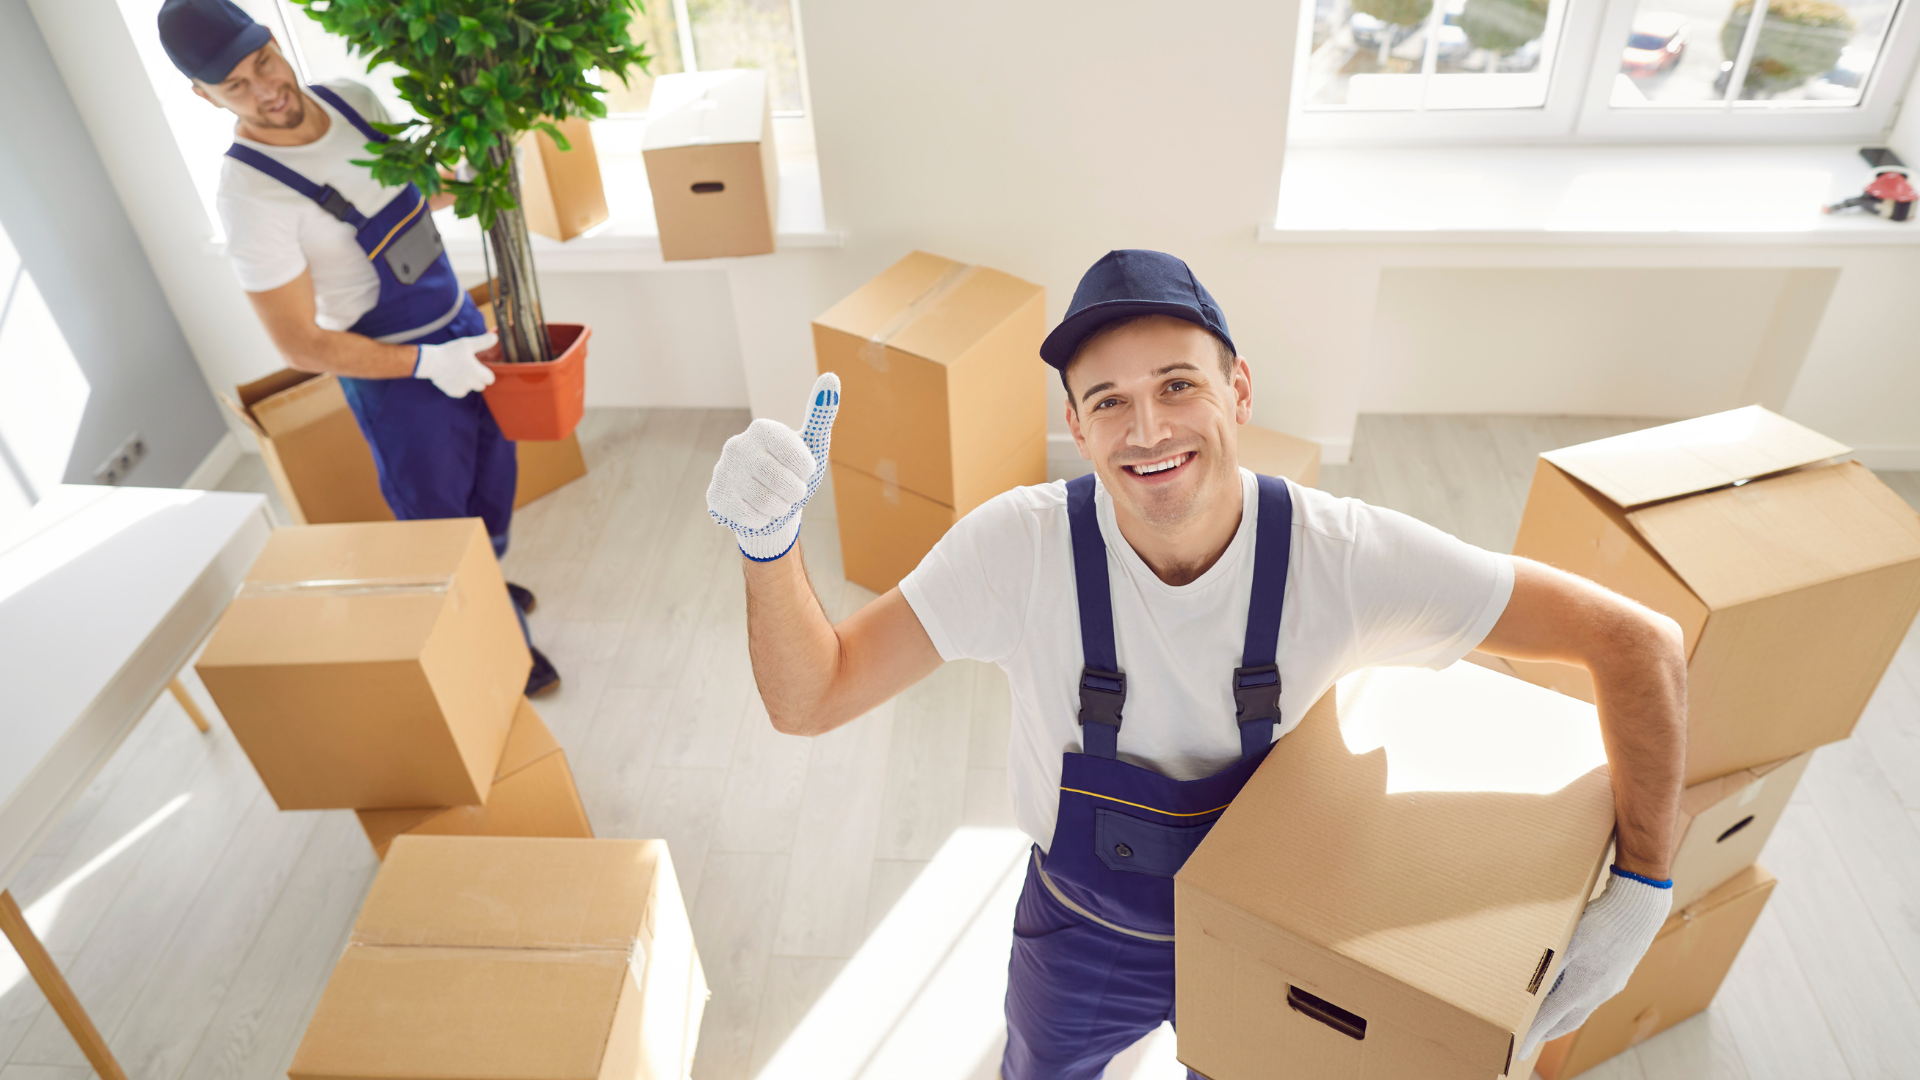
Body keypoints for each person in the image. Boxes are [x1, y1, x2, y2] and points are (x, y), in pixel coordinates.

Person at [707, 249, 1687, 1078]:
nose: (1148, 430)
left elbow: (1637, 642)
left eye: (1179, 385)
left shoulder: (1342, 558)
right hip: (1081, 933)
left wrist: (1641, 890)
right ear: (1075, 425)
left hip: (1278, 934)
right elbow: (813, 695)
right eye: (1109, 401)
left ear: (1239, 390)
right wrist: (769, 548)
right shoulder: (1017, 551)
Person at [157, 0, 558, 695]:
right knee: (439, 523)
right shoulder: (251, 197)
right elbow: (300, 341)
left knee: (494, 484)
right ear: (203, 96)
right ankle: (501, 646)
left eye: (263, 64)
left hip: (461, 323)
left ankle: (488, 577)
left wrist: (483, 168)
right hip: (397, 379)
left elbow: (409, 193)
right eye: (236, 88)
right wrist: (429, 365)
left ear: (275, 42)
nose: (266, 90)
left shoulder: (352, 100)